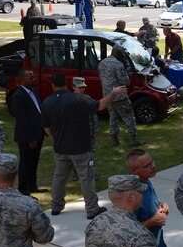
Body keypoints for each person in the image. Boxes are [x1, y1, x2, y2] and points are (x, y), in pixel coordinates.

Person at [42, 72, 125, 218]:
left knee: (59, 177)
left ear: (52, 85)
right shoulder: (77, 99)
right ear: (67, 84)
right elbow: (100, 105)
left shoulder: (47, 102)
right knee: (86, 177)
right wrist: (113, 93)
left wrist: (55, 138)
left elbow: (46, 126)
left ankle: (56, 206)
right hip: (80, 147)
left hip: (60, 148)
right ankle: (92, 209)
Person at [85, 175, 158, 247]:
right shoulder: (142, 237)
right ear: (131, 197)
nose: (142, 195)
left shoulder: (95, 223)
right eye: (141, 192)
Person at [98, 44, 146, 146]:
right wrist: (127, 75)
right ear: (118, 53)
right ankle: (133, 139)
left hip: (107, 96)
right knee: (129, 117)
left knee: (113, 117)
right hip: (119, 96)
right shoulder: (118, 65)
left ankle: (114, 140)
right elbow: (125, 81)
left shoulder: (102, 63)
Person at [9, 69, 47, 196]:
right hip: (27, 137)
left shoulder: (34, 91)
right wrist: (30, 139)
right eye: (29, 77)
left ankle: (32, 185)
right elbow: (22, 120)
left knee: (34, 161)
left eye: (33, 77)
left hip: (38, 133)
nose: (33, 79)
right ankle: (23, 189)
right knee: (26, 163)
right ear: (21, 79)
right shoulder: (18, 96)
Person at [126, 150, 170, 247]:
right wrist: (153, 221)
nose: (153, 166)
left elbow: (148, 203)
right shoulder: (129, 195)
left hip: (154, 244)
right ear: (133, 171)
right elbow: (127, 232)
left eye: (152, 162)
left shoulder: (144, 180)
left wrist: (161, 205)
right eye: (147, 166)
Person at [72, 76, 100, 181]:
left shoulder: (88, 99)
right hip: (75, 132)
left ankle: (91, 173)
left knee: (90, 153)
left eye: (83, 87)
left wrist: (95, 130)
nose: (82, 89)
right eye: (79, 87)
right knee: (75, 153)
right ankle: (76, 174)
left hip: (88, 132)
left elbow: (94, 116)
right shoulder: (70, 100)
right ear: (73, 87)